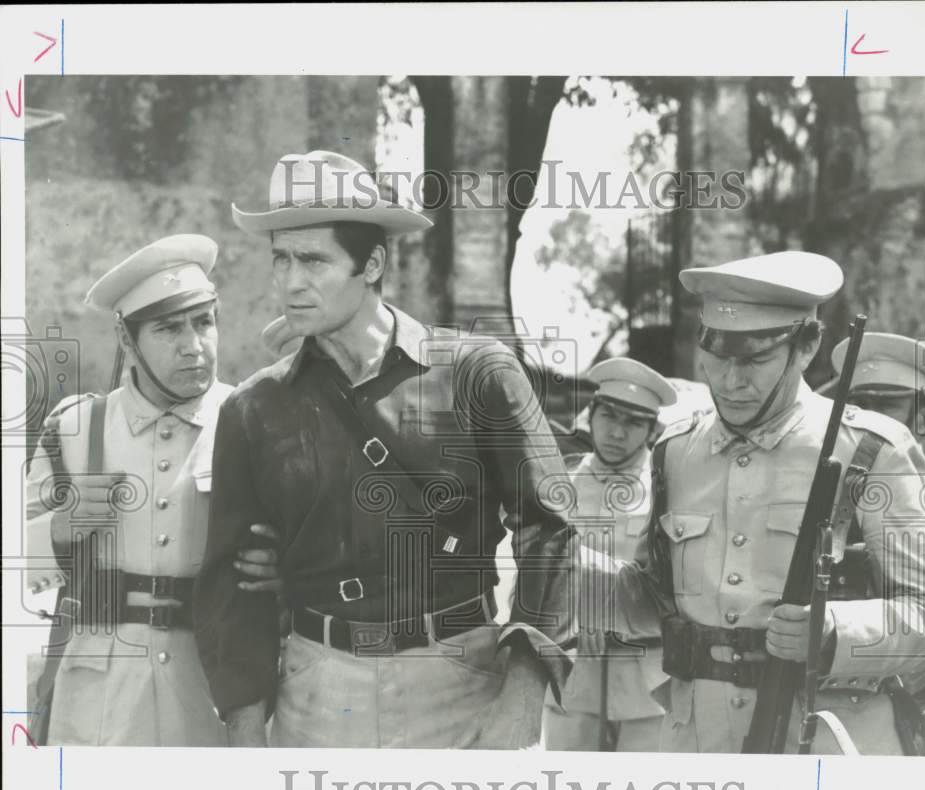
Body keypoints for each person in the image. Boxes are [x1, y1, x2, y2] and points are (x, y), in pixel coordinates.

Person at [193, 151, 576, 749]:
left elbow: (550, 531)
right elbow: (231, 586)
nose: (291, 281)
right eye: (281, 259)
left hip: (460, 682)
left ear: (371, 264)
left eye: (313, 260)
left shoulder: (480, 375)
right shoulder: (251, 409)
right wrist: (246, 729)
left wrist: (523, 696)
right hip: (315, 694)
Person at [593, 250, 925, 754]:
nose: (731, 381)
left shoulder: (873, 451)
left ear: (807, 347)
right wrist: (580, 571)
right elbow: (651, 600)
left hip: (825, 741)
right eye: (717, 359)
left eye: (756, 361)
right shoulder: (675, 450)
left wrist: (832, 632)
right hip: (699, 746)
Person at [24, 234, 235, 745]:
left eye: (203, 323)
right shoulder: (74, 427)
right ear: (127, 341)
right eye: (168, 329)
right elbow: (15, 566)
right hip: (98, 701)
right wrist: (61, 528)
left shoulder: (246, 418)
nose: (193, 346)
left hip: (206, 691)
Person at [831, 331, 925, 755]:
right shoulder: (825, 494)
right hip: (841, 694)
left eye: (888, 407)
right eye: (861, 407)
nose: (871, 421)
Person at [542, 357, 675, 752]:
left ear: (652, 431)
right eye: (608, 416)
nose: (617, 432)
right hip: (573, 671)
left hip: (646, 677)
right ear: (591, 414)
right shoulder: (558, 483)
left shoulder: (668, 490)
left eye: (633, 423)